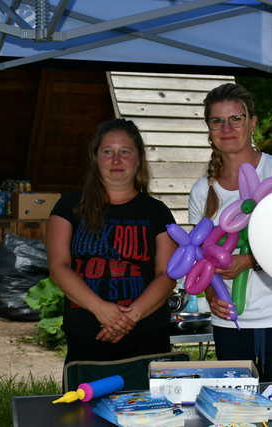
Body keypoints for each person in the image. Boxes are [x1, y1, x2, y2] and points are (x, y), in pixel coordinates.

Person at [188, 83, 272, 382]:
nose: (227, 128)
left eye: (236, 118)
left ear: (252, 122)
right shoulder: (201, 190)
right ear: (208, 128)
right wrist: (210, 292)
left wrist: (247, 261)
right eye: (217, 121)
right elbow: (198, 258)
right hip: (231, 325)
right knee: (237, 414)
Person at [47, 118, 177, 366]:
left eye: (124, 152)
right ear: (95, 158)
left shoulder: (157, 212)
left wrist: (130, 317)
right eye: (108, 152)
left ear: (138, 159)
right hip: (86, 344)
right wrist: (102, 310)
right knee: (82, 407)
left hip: (147, 342)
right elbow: (58, 267)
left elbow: (168, 274)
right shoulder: (69, 206)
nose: (116, 160)